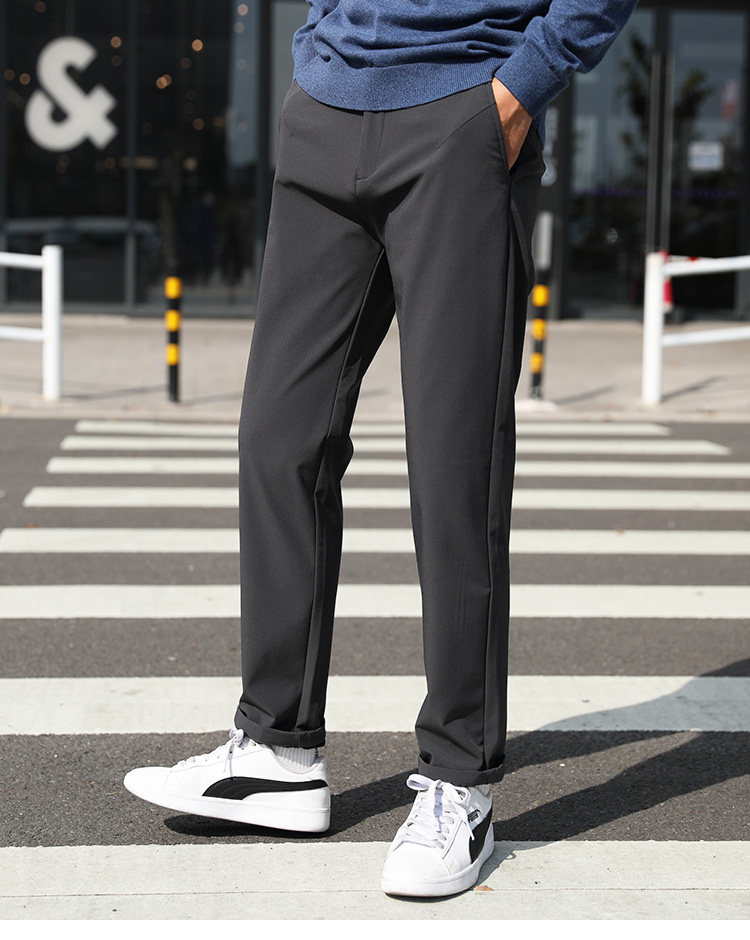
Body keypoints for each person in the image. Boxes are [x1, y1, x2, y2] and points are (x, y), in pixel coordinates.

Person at [125, 0, 637, 897]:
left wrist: (523, 85)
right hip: (324, 113)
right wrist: (317, 45)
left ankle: (460, 779)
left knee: (454, 465)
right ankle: (278, 752)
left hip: (465, 108)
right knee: (278, 440)